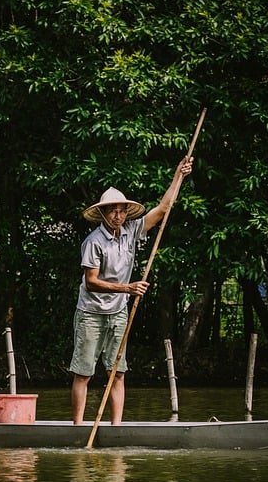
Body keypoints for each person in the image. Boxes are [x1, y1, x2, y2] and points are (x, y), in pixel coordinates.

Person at [70, 156, 193, 425]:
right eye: (112, 210)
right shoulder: (93, 242)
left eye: (122, 210)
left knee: (118, 371)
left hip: (118, 312)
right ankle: (78, 426)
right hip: (91, 312)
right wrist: (127, 287)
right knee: (84, 372)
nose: (118, 215)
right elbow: (91, 281)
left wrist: (178, 175)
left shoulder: (130, 231)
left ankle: (116, 427)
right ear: (103, 214)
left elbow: (164, 207)